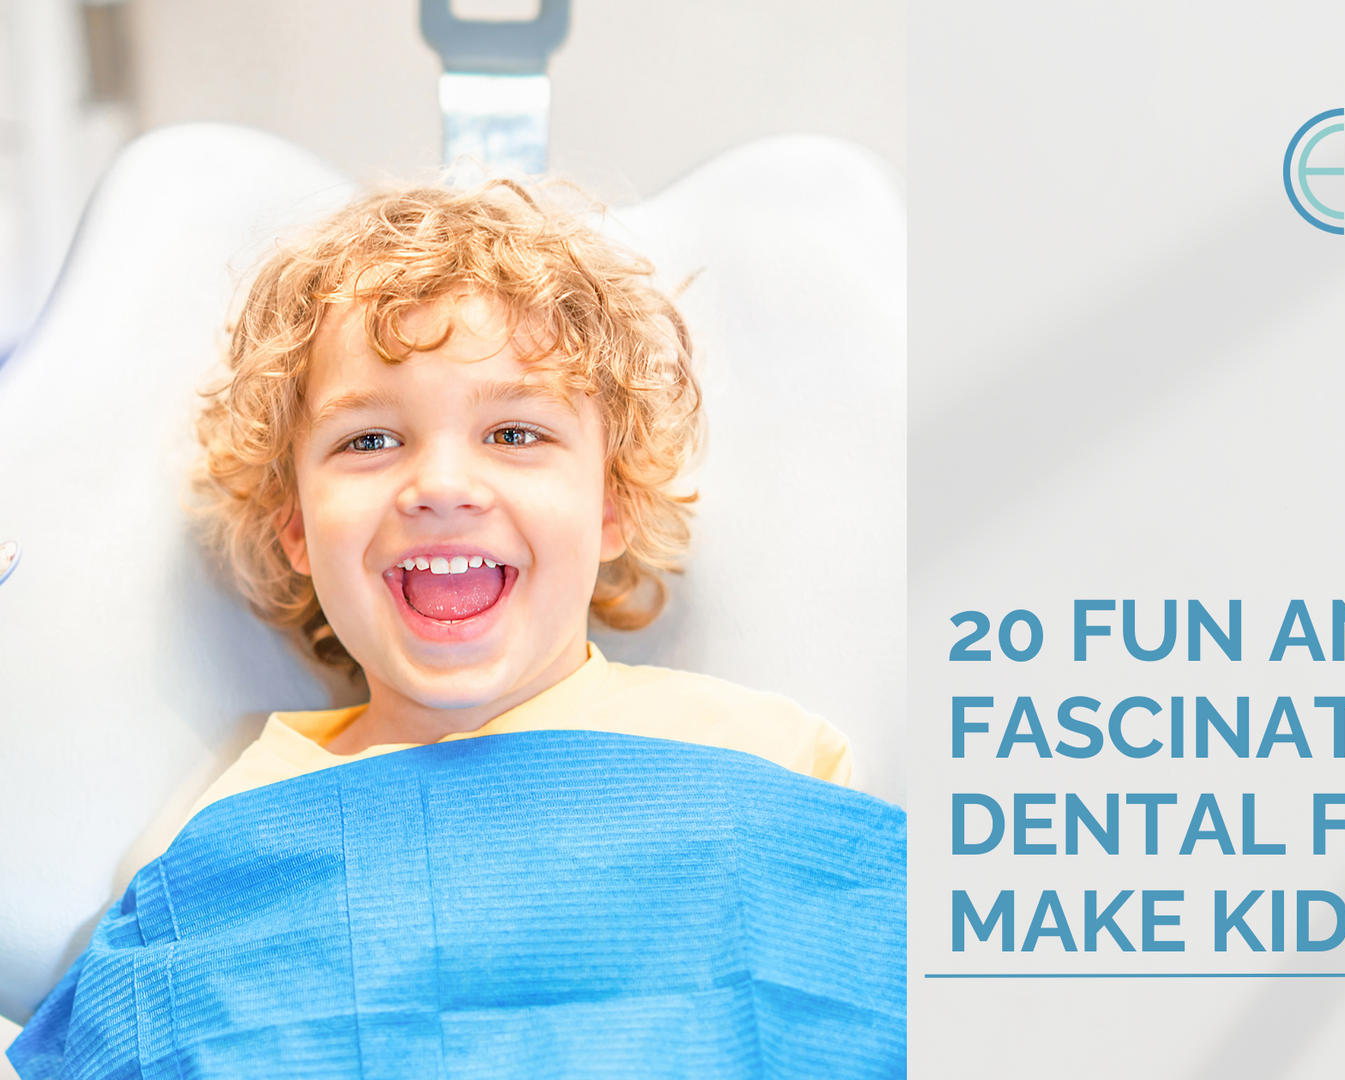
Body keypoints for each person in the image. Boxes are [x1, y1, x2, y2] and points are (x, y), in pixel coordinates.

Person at [8, 182, 905, 1079]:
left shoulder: (769, 758)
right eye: (367, 441)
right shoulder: (228, 818)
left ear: (610, 507)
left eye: (514, 432)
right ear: (296, 529)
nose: (441, 484)